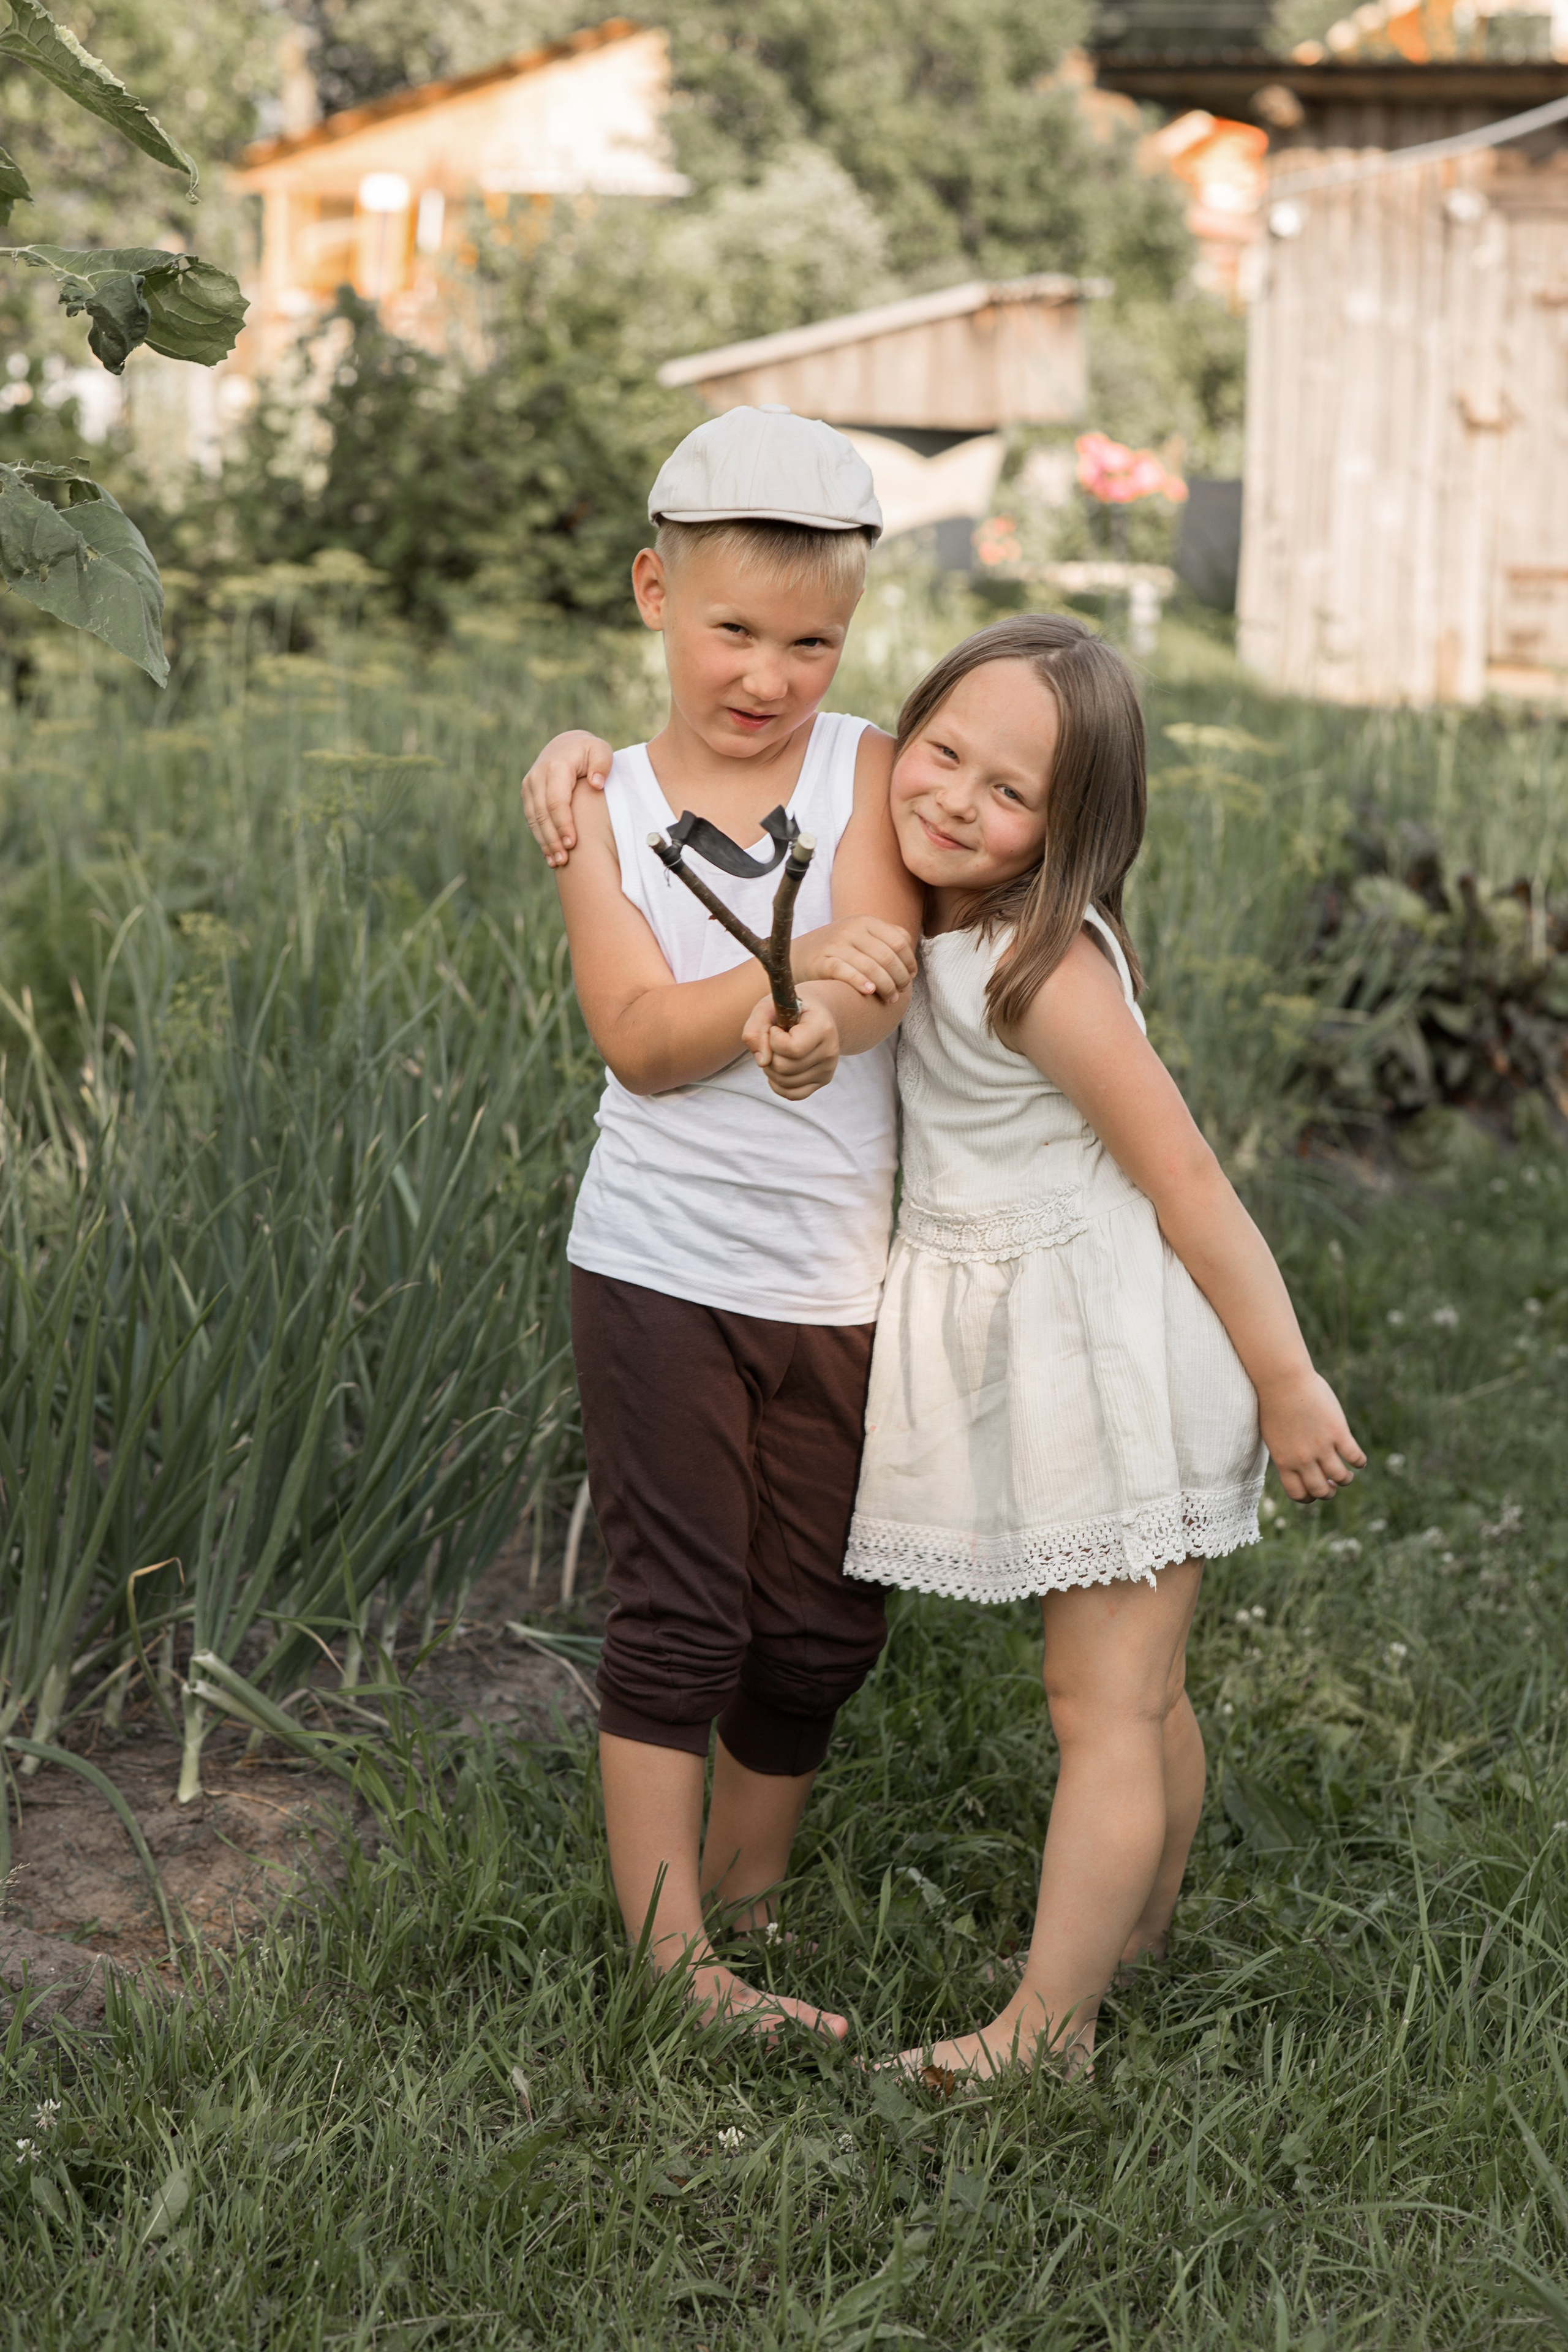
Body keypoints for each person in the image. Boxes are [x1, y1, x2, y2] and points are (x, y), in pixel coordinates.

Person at [835, 612, 1363, 2079]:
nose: (950, 799)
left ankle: (1042, 2034)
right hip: (1041, 1344)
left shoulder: (1039, 969)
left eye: (1007, 795)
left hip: (1110, 1356)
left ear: (1068, 833)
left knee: (1106, 1705)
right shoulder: (923, 898)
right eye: (939, 752)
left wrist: (1284, 1377)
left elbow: (1185, 1178)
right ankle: (1139, 1926)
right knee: (1139, 1694)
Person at [531, 405, 921, 2040]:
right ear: (654, 595)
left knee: (824, 1618)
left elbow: (883, 966)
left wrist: (829, 1009)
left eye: (810, 641)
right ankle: (675, 1962)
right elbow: (634, 1037)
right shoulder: (596, 803)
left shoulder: (875, 768)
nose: (767, 675)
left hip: (837, 1277)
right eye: (732, 630)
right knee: (682, 1604)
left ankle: (751, 1897)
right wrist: (781, 985)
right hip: (658, 1267)